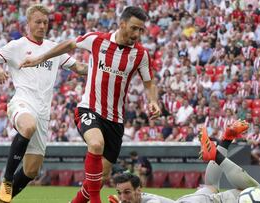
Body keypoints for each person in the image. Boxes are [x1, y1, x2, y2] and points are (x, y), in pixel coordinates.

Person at [20, 6, 160, 203]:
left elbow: (149, 82)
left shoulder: (140, 55)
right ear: (122, 24)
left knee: (99, 178)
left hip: (115, 120)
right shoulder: (97, 40)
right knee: (95, 144)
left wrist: (153, 100)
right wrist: (41, 57)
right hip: (90, 109)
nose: (137, 34)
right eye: (134, 28)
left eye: (141, 30)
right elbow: (69, 44)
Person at [0, 4, 87, 203]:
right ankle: (7, 179)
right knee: (28, 125)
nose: (42, 25)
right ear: (28, 23)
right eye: (38, 22)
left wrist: (104, 68)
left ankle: (2, 200)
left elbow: (79, 67)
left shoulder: (53, 48)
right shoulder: (17, 46)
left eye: (45, 22)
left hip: (43, 112)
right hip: (22, 102)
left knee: (32, 170)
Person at [110, 120, 260, 203]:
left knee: (257, 192)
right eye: (120, 193)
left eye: (127, 192)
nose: (123, 198)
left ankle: (220, 148)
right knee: (213, 187)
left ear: (138, 190)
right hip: (196, 200)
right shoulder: (140, 198)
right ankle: (225, 141)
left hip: (198, 201)